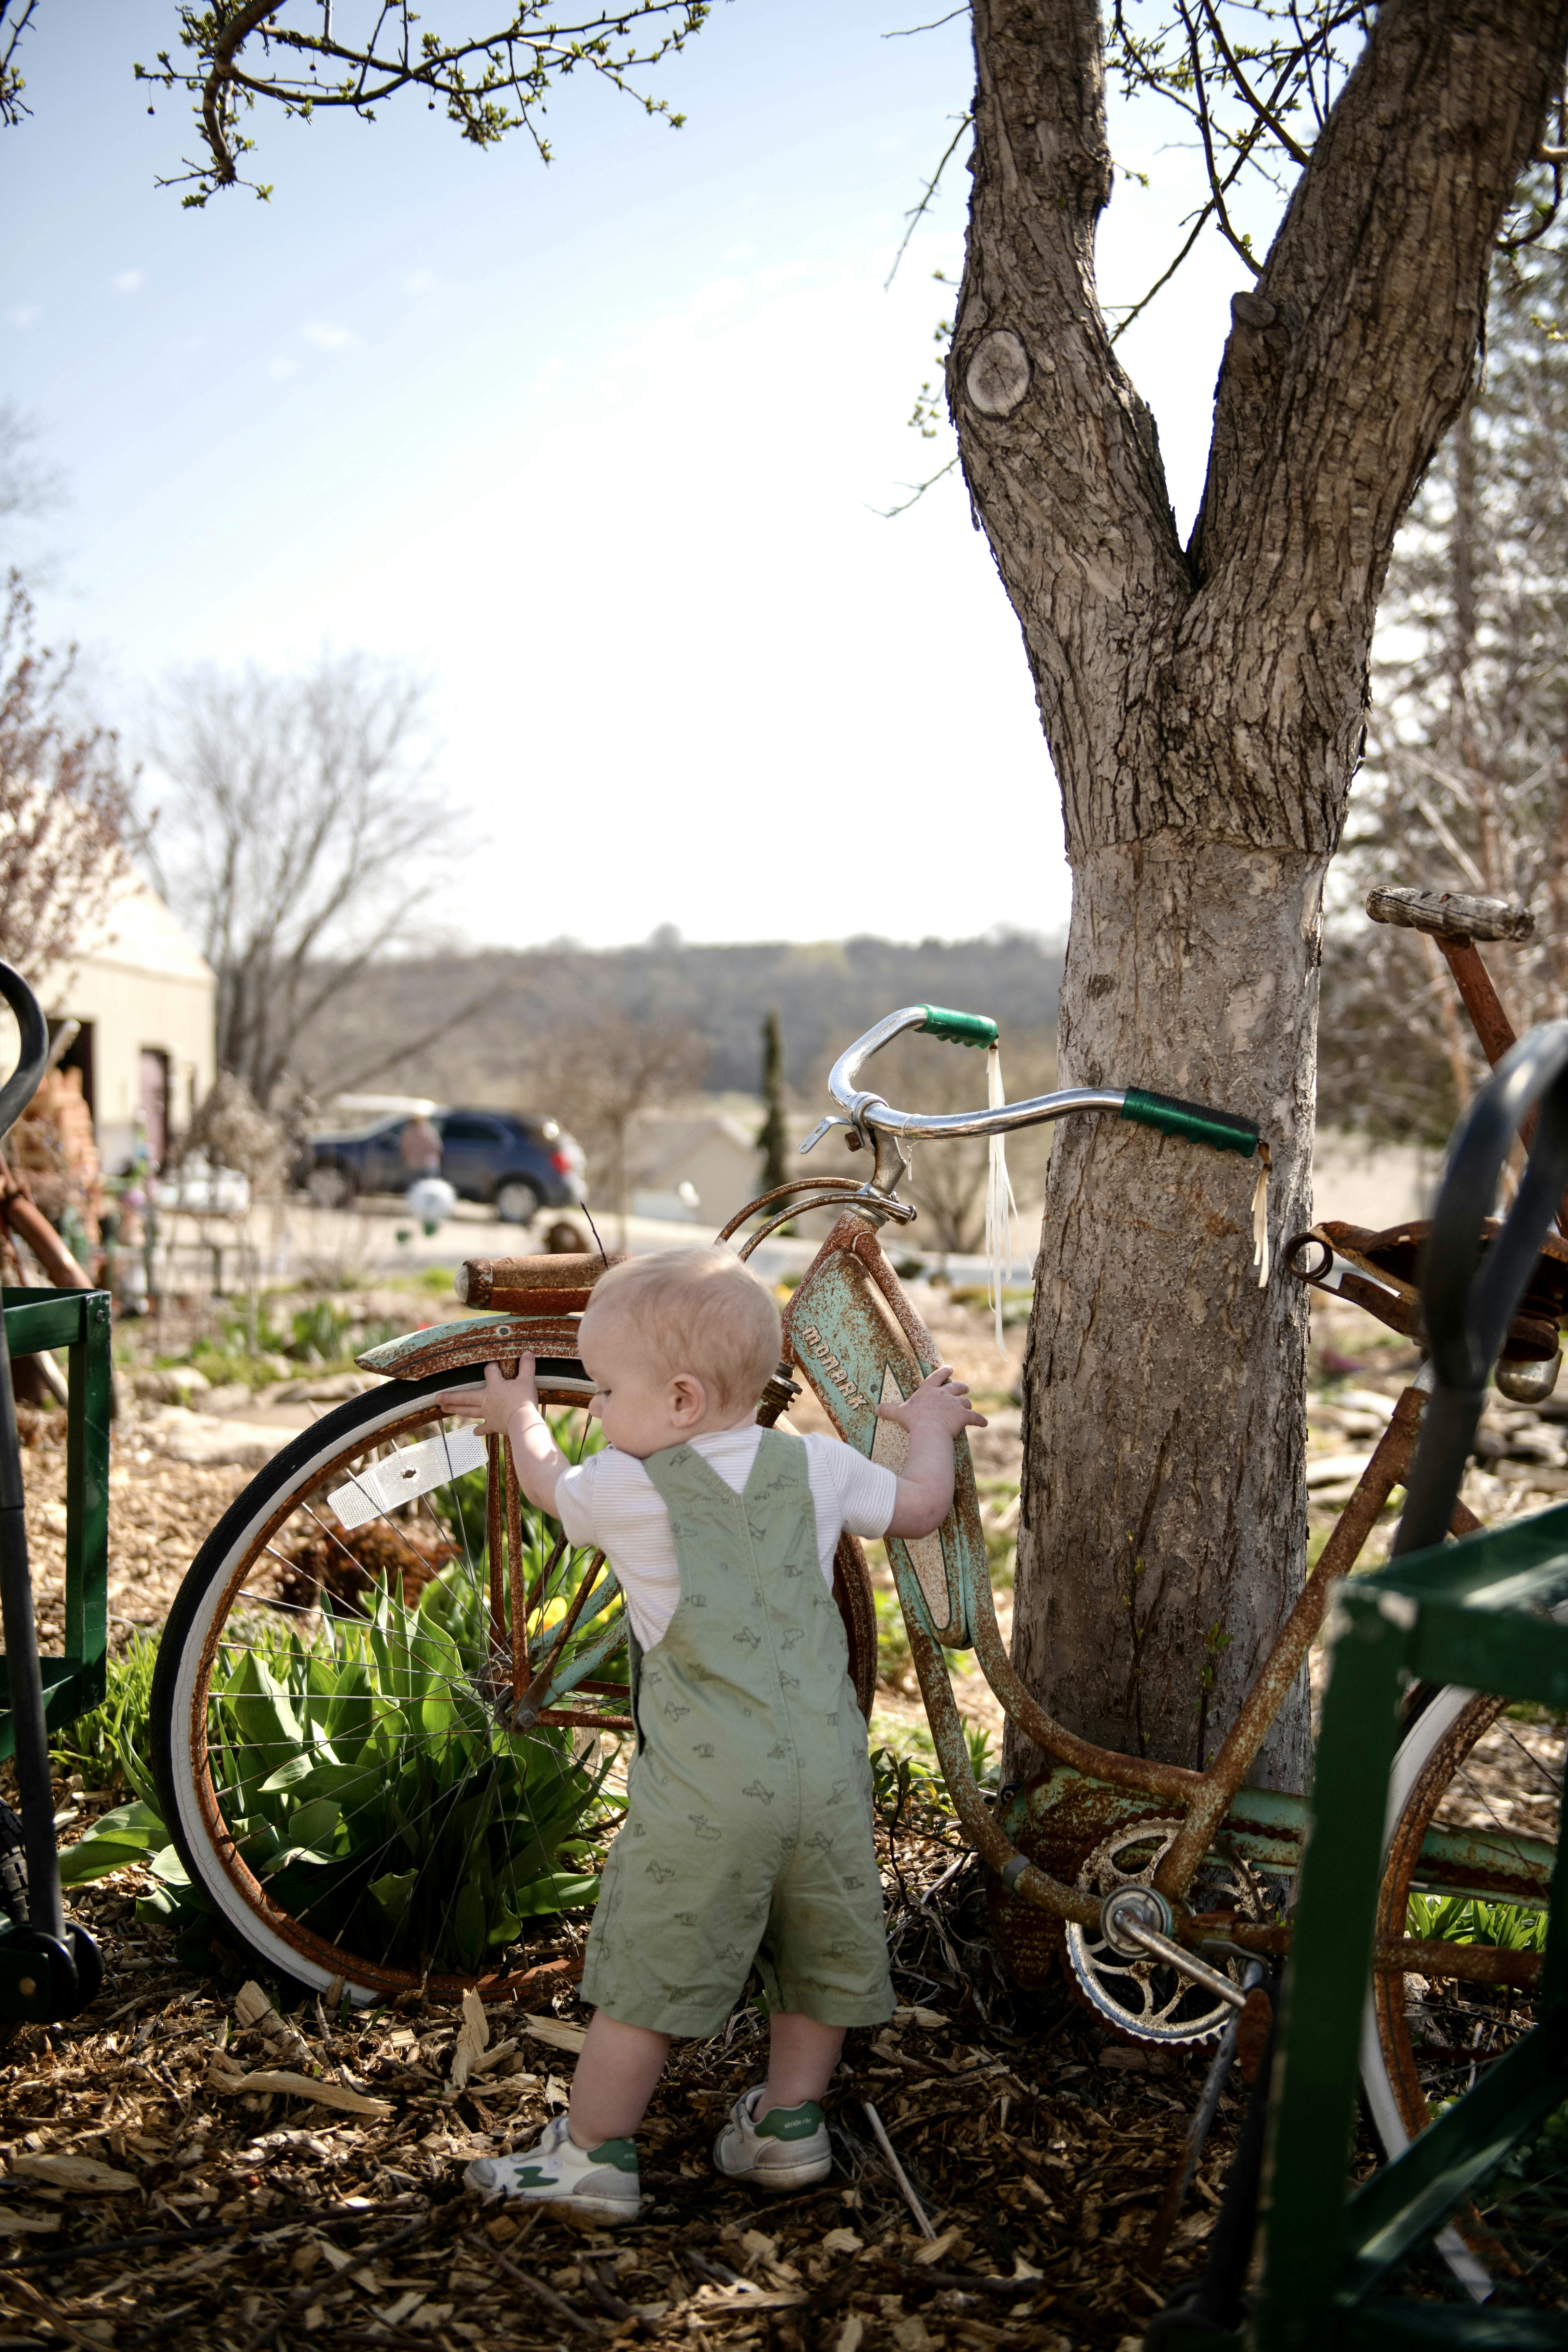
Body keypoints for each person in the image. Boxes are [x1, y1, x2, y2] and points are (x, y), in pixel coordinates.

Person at [436, 1244, 985, 2220]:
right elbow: (921, 1505)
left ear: (682, 1399)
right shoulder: (815, 1464)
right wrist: (931, 1423)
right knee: (817, 1951)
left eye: (605, 1389)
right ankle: (787, 2124)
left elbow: (549, 1484)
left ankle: (594, 2152)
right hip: (826, 1773)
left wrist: (521, 1416)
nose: (594, 1408)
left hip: (707, 1789)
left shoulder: (626, 1488)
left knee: (650, 1966)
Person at [399, 1112, 442, 1181]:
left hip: (413, 1165)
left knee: (415, 1188)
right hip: (429, 1164)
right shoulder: (430, 1131)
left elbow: (404, 1149)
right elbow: (437, 1148)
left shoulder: (408, 1133)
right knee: (429, 1187)